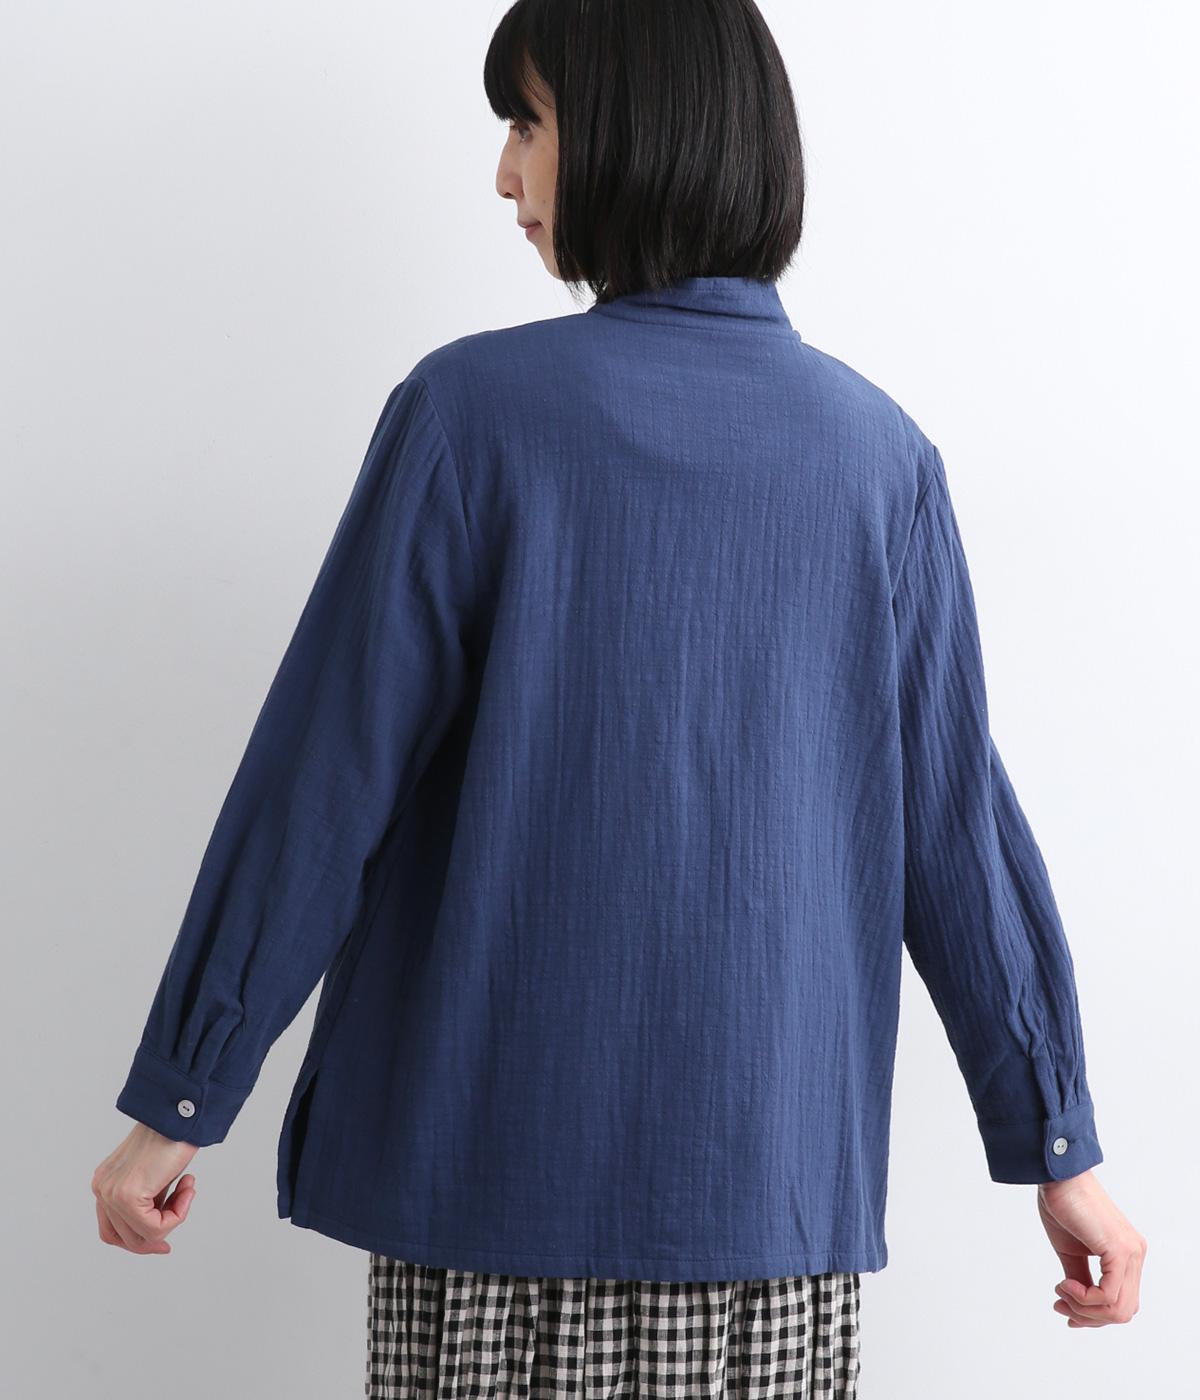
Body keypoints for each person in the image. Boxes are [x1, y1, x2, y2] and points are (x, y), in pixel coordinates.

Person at [92, 1, 1147, 1394]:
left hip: (488, 1203)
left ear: (639, 129)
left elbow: (322, 785)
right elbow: (959, 836)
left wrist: (184, 1091)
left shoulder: (470, 418)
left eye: (528, 123)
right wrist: (1059, 1146)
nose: (504, 175)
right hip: (764, 1220)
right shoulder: (878, 460)